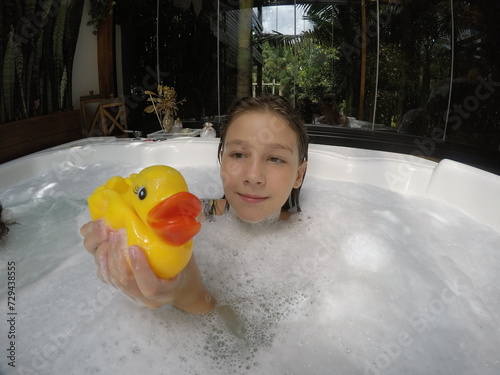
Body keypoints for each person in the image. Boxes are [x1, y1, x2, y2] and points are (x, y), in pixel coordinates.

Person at [80, 95, 309, 314]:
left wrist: (188, 294)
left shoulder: (314, 247)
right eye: (238, 154)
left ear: (299, 175)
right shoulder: (201, 211)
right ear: (221, 162)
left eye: (275, 158)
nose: (252, 175)